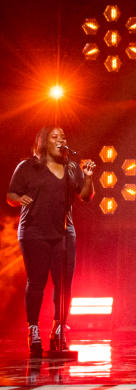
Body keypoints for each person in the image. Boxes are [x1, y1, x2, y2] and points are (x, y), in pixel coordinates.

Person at [7, 126, 95, 355]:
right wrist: (20, 200)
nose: (60, 140)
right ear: (44, 142)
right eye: (55, 137)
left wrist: (88, 177)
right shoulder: (28, 167)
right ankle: (33, 329)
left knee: (63, 284)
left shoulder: (71, 168)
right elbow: (11, 195)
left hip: (64, 234)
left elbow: (85, 196)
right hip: (34, 231)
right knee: (37, 282)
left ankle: (59, 329)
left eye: (63, 137)